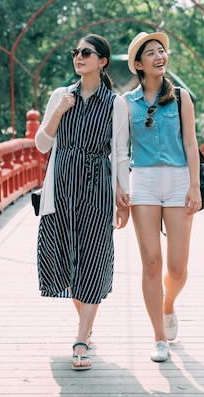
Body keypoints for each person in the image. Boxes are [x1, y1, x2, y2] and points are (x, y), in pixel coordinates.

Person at [34, 34, 130, 371]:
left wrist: (123, 195)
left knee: (92, 257)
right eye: (76, 52)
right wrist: (58, 113)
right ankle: (87, 330)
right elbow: (42, 145)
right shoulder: (61, 96)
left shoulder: (116, 104)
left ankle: (80, 339)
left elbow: (120, 153)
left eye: (86, 53)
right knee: (65, 260)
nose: (79, 57)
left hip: (97, 187)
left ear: (102, 61)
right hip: (60, 188)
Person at [121, 32, 202, 362]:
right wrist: (120, 190)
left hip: (179, 179)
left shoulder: (181, 98)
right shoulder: (126, 103)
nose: (159, 56)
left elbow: (192, 143)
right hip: (143, 183)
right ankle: (158, 338)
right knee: (152, 263)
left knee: (178, 268)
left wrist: (195, 186)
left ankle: (168, 305)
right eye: (151, 53)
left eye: (162, 51)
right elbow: (119, 150)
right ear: (139, 65)